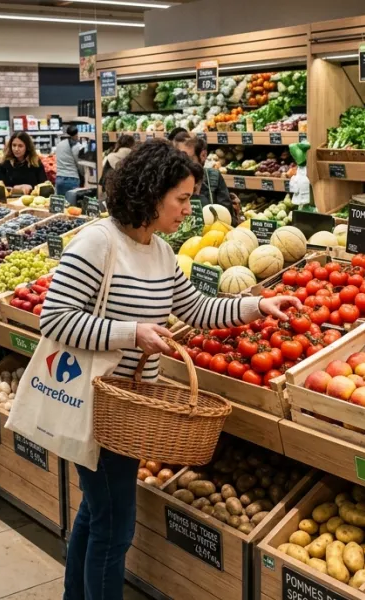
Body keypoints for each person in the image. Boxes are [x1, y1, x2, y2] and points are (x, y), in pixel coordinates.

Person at [42, 139, 299, 600]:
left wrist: (259, 304)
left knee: (97, 515)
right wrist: (132, 333)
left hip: (132, 410)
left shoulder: (158, 250)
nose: (189, 208)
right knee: (114, 526)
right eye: (181, 198)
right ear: (150, 192)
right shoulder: (98, 243)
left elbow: (196, 308)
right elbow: (55, 319)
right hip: (97, 406)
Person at [182, 136, 235, 215]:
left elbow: (226, 212)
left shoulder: (214, 177)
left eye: (189, 159)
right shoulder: (178, 179)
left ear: (203, 155)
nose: (184, 163)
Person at [53, 125, 85, 196]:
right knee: (72, 204)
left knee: (60, 203)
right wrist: (83, 174)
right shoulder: (78, 146)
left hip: (59, 178)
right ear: (76, 134)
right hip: (72, 179)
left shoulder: (59, 144)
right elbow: (80, 164)